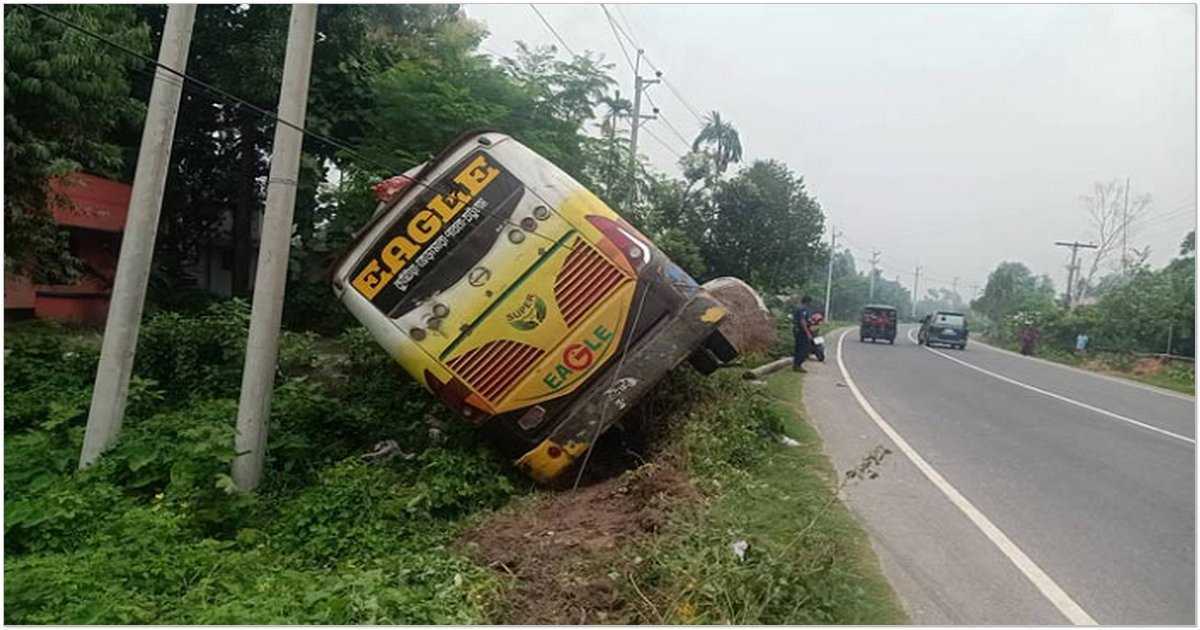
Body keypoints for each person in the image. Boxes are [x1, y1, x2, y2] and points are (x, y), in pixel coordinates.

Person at [792, 295, 814, 372]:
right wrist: (808, 333)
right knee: (804, 349)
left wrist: (811, 322)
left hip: (797, 330)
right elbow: (802, 321)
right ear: (807, 302)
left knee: (798, 348)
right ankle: (798, 365)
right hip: (801, 331)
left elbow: (806, 320)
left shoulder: (799, 308)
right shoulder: (803, 309)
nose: (811, 304)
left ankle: (796, 365)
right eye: (810, 302)